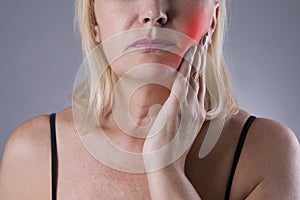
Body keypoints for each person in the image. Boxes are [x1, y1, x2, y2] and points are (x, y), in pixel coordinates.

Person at [0, 0, 299, 199]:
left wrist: (165, 169)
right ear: (94, 19)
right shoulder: (34, 153)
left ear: (214, 17)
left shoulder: (267, 153)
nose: (154, 10)